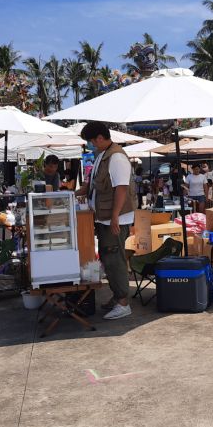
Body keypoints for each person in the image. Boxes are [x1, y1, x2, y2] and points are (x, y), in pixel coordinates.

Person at [76, 122, 135, 320]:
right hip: (104, 218)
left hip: (114, 219)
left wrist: (115, 216)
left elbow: (122, 188)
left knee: (114, 259)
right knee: (107, 258)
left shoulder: (116, 157)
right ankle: (117, 296)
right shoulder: (102, 155)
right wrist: (71, 194)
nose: (90, 145)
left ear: (100, 138)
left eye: (91, 141)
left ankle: (123, 303)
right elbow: (91, 185)